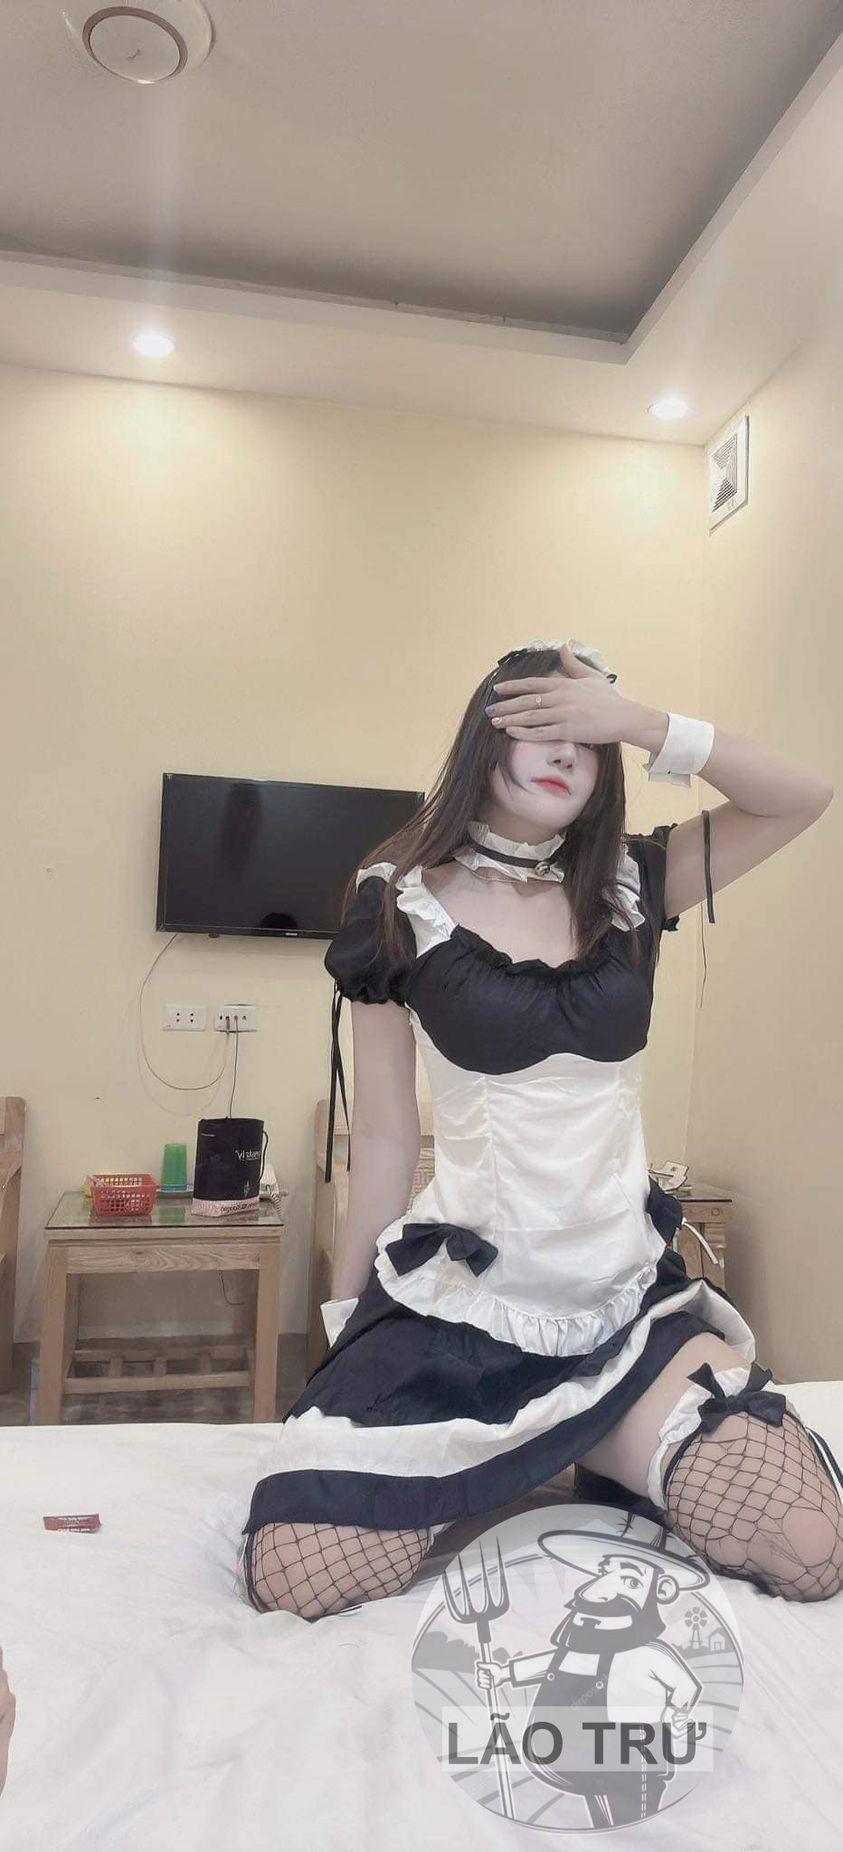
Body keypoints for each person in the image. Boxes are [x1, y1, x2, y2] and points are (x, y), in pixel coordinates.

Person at [237, 639, 843, 1619]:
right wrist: (344, 1322)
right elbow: (384, 1138)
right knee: (298, 1578)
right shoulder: (396, 899)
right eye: (541, 723)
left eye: (587, 737)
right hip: (463, 1313)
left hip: (625, 1307)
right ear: (485, 734)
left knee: (809, 1547)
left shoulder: (636, 883)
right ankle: (538, 1451)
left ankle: (591, 1440)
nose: (569, 750)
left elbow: (802, 795)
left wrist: (640, 722)